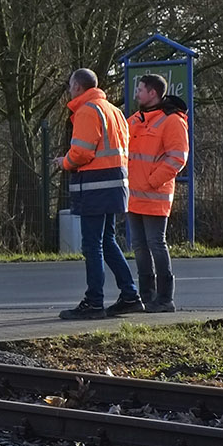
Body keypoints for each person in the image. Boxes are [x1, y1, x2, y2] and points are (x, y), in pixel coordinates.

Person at [56, 67, 140, 319]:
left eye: (71, 85)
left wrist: (64, 162)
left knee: (92, 245)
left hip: (94, 186)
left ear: (78, 87)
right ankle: (130, 295)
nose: (69, 90)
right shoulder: (114, 111)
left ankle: (94, 302)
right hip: (114, 185)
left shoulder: (86, 111)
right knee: (107, 241)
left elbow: (82, 152)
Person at [125, 73, 189, 313]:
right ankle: (146, 296)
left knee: (155, 244)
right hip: (133, 196)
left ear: (153, 93)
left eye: (140, 90)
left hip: (154, 195)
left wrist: (152, 181)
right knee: (140, 247)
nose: (137, 94)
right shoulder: (134, 120)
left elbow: (177, 158)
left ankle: (164, 298)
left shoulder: (172, 121)